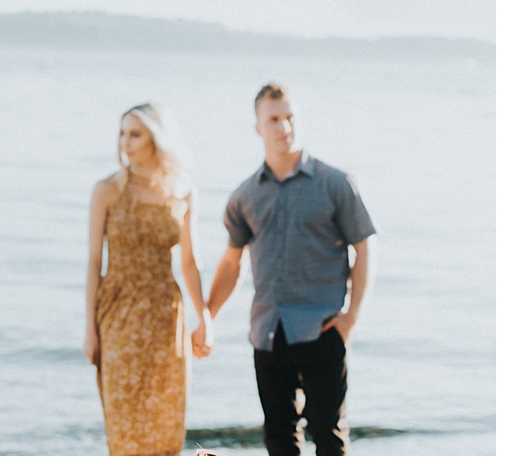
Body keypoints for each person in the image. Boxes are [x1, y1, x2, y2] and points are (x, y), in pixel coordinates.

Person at [201, 82, 374, 456]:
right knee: (279, 438)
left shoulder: (335, 184)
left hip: (322, 328)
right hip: (267, 332)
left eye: (290, 118)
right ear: (258, 127)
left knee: (329, 435)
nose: (284, 127)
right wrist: (207, 318)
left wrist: (351, 318)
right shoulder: (245, 195)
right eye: (274, 119)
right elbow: (232, 262)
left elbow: (364, 248)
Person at [83, 103, 211, 456]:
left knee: (167, 421)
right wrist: (89, 330)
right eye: (123, 133)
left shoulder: (182, 191)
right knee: (124, 422)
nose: (125, 142)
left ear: (157, 137)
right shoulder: (107, 190)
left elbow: (190, 262)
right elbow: (94, 262)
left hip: (166, 316)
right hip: (117, 314)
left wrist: (206, 318)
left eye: (135, 134)